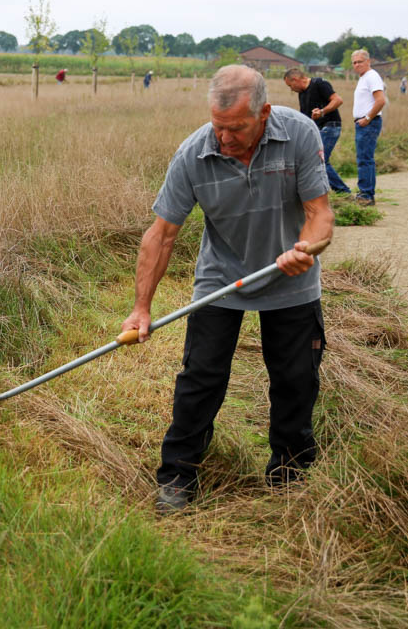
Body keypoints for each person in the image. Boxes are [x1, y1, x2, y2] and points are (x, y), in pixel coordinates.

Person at [121, 65, 333, 513]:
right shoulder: (193, 154)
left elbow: (320, 213)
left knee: (295, 379)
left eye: (236, 128)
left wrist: (307, 248)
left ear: (264, 113)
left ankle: (290, 476)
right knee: (201, 378)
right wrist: (141, 307)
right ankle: (177, 476)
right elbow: (162, 235)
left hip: (291, 274)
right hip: (221, 278)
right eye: (218, 126)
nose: (224, 138)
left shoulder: (299, 134)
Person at [284, 68, 350, 194]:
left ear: (296, 80)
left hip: (330, 126)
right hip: (317, 129)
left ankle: (343, 191)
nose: (291, 89)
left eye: (290, 85)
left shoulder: (319, 83)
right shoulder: (302, 93)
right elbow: (306, 117)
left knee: (320, 160)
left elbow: (338, 100)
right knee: (313, 159)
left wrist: (322, 112)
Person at [350, 50, 386, 206]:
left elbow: (380, 100)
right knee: (364, 158)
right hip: (363, 123)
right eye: (354, 62)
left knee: (365, 159)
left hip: (369, 123)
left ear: (368, 61)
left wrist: (367, 118)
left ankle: (366, 195)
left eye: (360, 61)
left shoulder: (372, 76)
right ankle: (365, 193)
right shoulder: (364, 78)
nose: (357, 65)